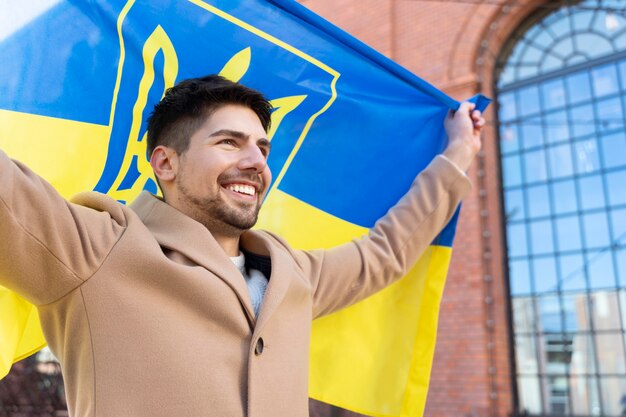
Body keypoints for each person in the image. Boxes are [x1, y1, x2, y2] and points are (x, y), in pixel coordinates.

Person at [0, 74, 484, 417]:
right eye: (230, 143)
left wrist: (459, 151)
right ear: (164, 164)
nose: (256, 162)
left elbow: (387, 251)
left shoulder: (293, 273)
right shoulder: (96, 248)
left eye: (263, 147)